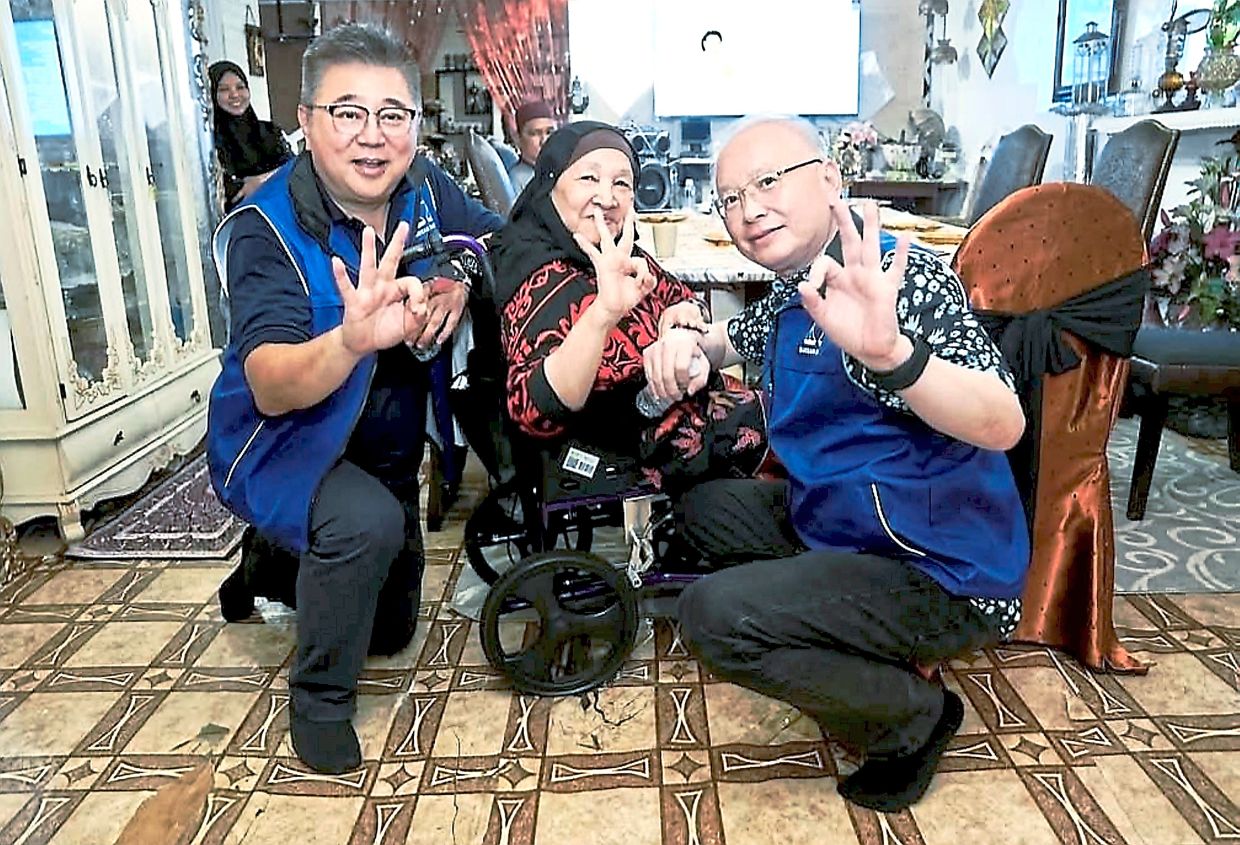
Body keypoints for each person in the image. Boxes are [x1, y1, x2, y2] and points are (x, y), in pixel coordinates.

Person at [646, 116, 1030, 812]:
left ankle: (913, 717)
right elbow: (739, 336)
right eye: (730, 198)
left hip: (941, 566)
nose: (747, 210)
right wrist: (690, 344)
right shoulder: (797, 284)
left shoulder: (891, 279)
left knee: (712, 615)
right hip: (852, 521)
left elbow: (1004, 421)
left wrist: (894, 358)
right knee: (700, 508)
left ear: (829, 179)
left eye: (767, 182)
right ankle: (843, 619)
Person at [206, 23, 502, 775]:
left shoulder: (423, 186)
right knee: (364, 527)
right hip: (284, 442)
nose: (373, 136)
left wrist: (458, 278)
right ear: (305, 121)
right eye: (347, 112)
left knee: (392, 629)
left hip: (385, 445)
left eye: (392, 114)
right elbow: (270, 383)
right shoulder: (264, 229)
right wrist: (350, 340)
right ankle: (318, 700)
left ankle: (270, 562)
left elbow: (497, 237)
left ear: (415, 123)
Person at [489, 121, 766, 487]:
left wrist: (683, 323)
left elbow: (684, 299)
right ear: (549, 185)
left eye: (622, 183)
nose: (607, 198)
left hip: (697, 414)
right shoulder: (535, 275)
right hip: (627, 455)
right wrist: (603, 314)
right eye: (589, 178)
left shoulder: (621, 254)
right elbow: (532, 412)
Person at [209, 60, 293, 211]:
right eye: (224, 89)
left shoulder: (270, 132)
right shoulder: (210, 143)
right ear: (212, 95)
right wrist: (275, 177)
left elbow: (295, 170)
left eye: (240, 87)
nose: (234, 94)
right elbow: (233, 193)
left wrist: (259, 181)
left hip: (282, 214)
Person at [506, 100, 557, 194]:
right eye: (534, 133)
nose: (544, 141)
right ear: (518, 138)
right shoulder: (516, 180)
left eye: (549, 132)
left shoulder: (559, 171)